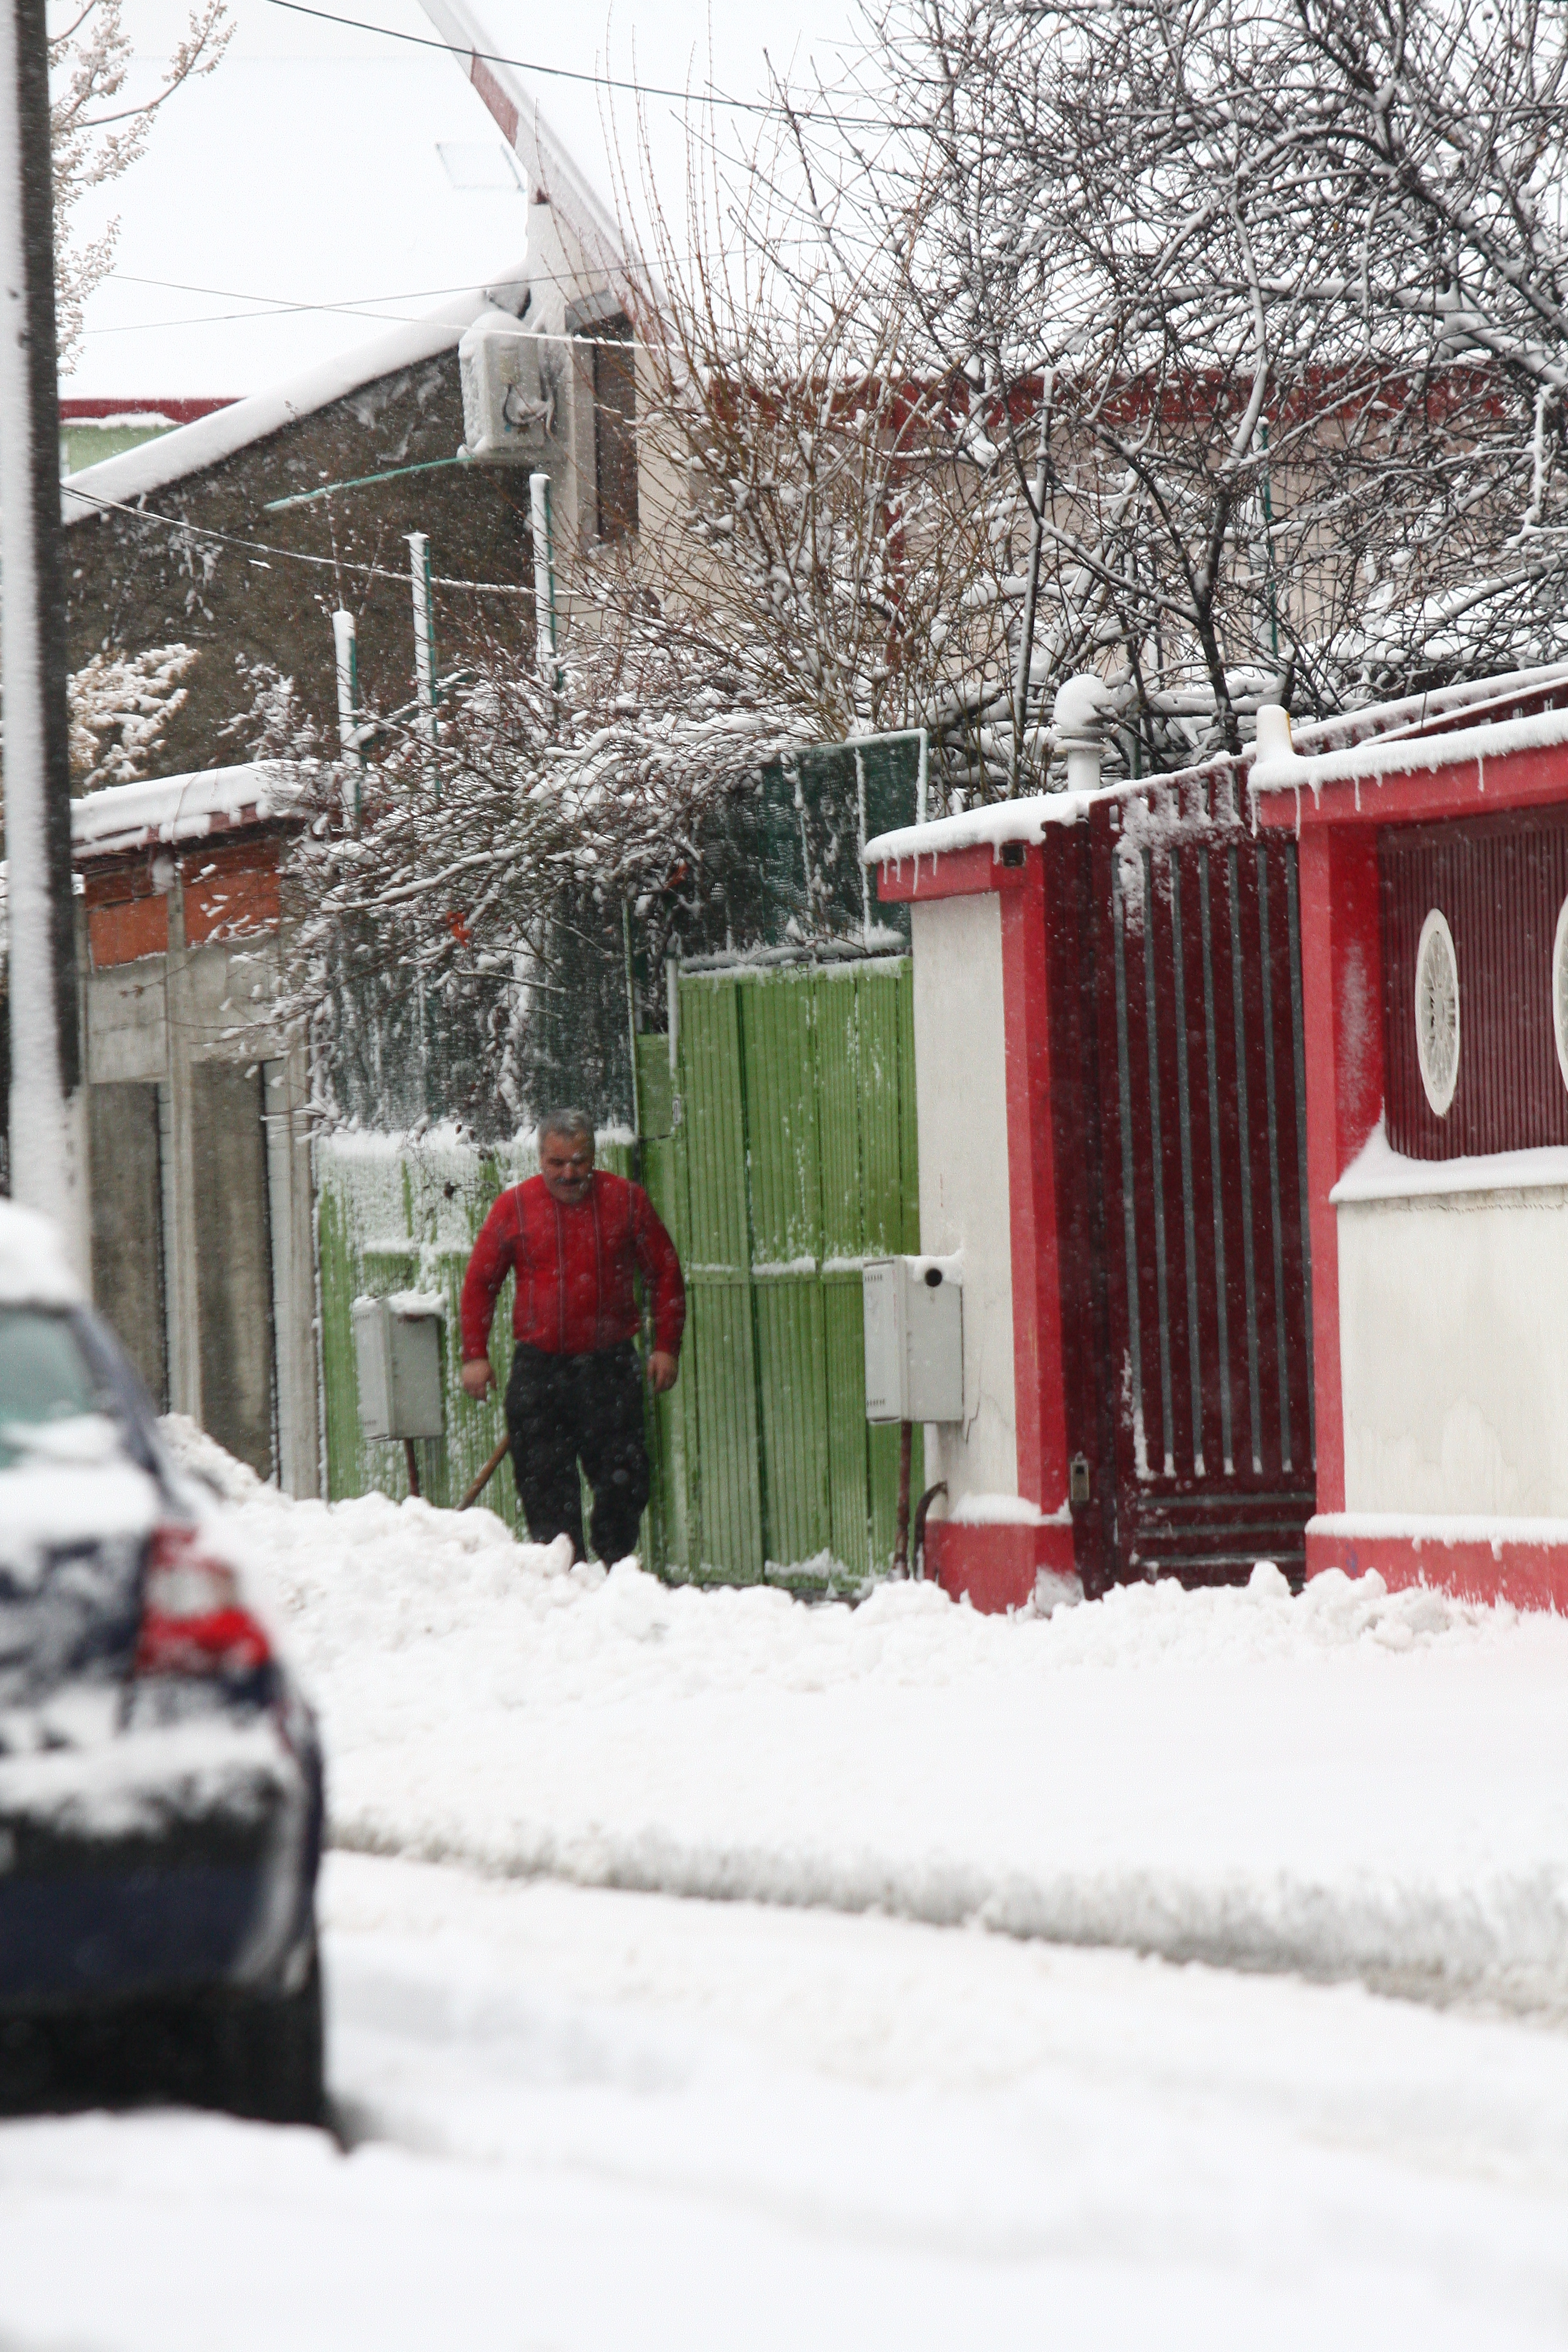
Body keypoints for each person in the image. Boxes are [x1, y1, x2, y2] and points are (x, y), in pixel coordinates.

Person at [459, 1109, 684, 1563]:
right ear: (540, 1158)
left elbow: (664, 1272)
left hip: (610, 1369)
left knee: (625, 1478)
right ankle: (563, 1575)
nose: (569, 1174)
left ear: (594, 1156)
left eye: (579, 1162)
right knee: (544, 1486)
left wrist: (665, 1346)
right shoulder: (514, 1208)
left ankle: (614, 1567)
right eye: (557, 1163)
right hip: (540, 1372)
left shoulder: (626, 1201)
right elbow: (481, 1282)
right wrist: (474, 1354)